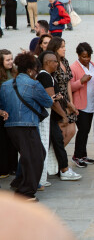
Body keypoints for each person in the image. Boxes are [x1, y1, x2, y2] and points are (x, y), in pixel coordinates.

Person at [0, 52, 53, 201]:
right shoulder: (33, 84)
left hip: (10, 127)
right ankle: (26, 192)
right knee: (36, 157)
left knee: (29, 155)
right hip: (27, 125)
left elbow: (3, 105)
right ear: (30, 70)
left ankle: (19, 181)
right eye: (36, 70)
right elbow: (48, 102)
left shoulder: (5, 85)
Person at [37, 51, 82, 182]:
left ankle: (60, 169)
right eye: (55, 61)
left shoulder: (48, 76)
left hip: (50, 117)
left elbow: (59, 95)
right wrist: (64, 116)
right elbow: (53, 101)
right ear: (47, 63)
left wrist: (69, 106)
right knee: (56, 142)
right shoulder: (44, 77)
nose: (57, 64)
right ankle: (64, 170)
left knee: (56, 142)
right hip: (47, 118)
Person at [47, 37, 78, 147]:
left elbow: (68, 82)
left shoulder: (65, 61)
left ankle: (58, 156)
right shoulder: (52, 63)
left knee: (71, 131)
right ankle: (57, 158)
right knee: (61, 131)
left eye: (65, 46)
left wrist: (71, 102)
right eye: (62, 47)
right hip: (58, 100)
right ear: (55, 48)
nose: (64, 49)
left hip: (67, 99)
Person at [70, 43, 94, 168]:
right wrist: (81, 81)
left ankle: (83, 155)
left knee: (86, 131)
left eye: (88, 56)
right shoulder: (74, 67)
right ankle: (76, 156)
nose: (86, 59)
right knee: (82, 130)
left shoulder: (92, 65)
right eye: (83, 57)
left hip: (91, 103)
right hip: (80, 105)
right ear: (78, 55)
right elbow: (69, 87)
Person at [0, 50, 18, 178]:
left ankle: (13, 167)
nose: (11, 62)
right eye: (7, 60)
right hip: (2, 112)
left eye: (11, 59)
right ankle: (3, 169)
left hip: (13, 112)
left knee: (13, 141)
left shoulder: (14, 72)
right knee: (2, 142)